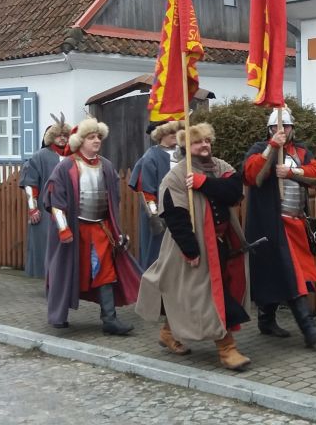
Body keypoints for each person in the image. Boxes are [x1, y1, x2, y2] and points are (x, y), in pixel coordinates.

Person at [136, 123, 252, 371]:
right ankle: (226, 348)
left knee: (194, 295)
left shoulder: (221, 167)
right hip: (189, 246)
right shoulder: (175, 177)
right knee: (208, 297)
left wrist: (202, 183)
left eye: (207, 140)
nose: (205, 145)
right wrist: (190, 250)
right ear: (187, 146)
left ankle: (168, 332)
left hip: (221, 243)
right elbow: (175, 216)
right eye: (198, 142)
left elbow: (234, 192)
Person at [41, 118, 141, 334]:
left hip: (101, 230)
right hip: (75, 231)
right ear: (80, 141)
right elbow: (54, 203)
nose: (97, 140)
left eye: (98, 137)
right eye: (91, 137)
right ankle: (59, 315)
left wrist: (117, 230)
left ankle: (110, 319)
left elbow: (113, 203)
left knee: (106, 272)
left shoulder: (106, 165)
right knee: (66, 271)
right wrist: (63, 229)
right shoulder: (66, 166)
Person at [243, 107, 316, 348]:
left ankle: (266, 320)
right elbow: (252, 175)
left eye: (286, 127)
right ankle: (309, 330)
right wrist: (272, 147)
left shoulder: (301, 151)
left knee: (284, 274)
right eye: (276, 127)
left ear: (292, 128)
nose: (281, 130)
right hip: (272, 224)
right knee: (291, 276)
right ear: (269, 129)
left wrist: (291, 171)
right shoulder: (260, 149)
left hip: (296, 222)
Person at [19, 114, 72, 278]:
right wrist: (33, 209)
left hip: (70, 209)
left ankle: (66, 280)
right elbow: (30, 184)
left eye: (65, 135)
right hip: (46, 209)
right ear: (51, 137)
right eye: (58, 135)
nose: (62, 139)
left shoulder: (73, 156)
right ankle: (50, 280)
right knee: (47, 247)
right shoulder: (40, 156)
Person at [128, 120, 182, 269]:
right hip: (163, 218)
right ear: (161, 134)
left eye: (177, 131)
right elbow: (146, 192)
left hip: (185, 215)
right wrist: (155, 217)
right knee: (158, 258)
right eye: (171, 131)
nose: (175, 134)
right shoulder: (150, 157)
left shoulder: (185, 155)